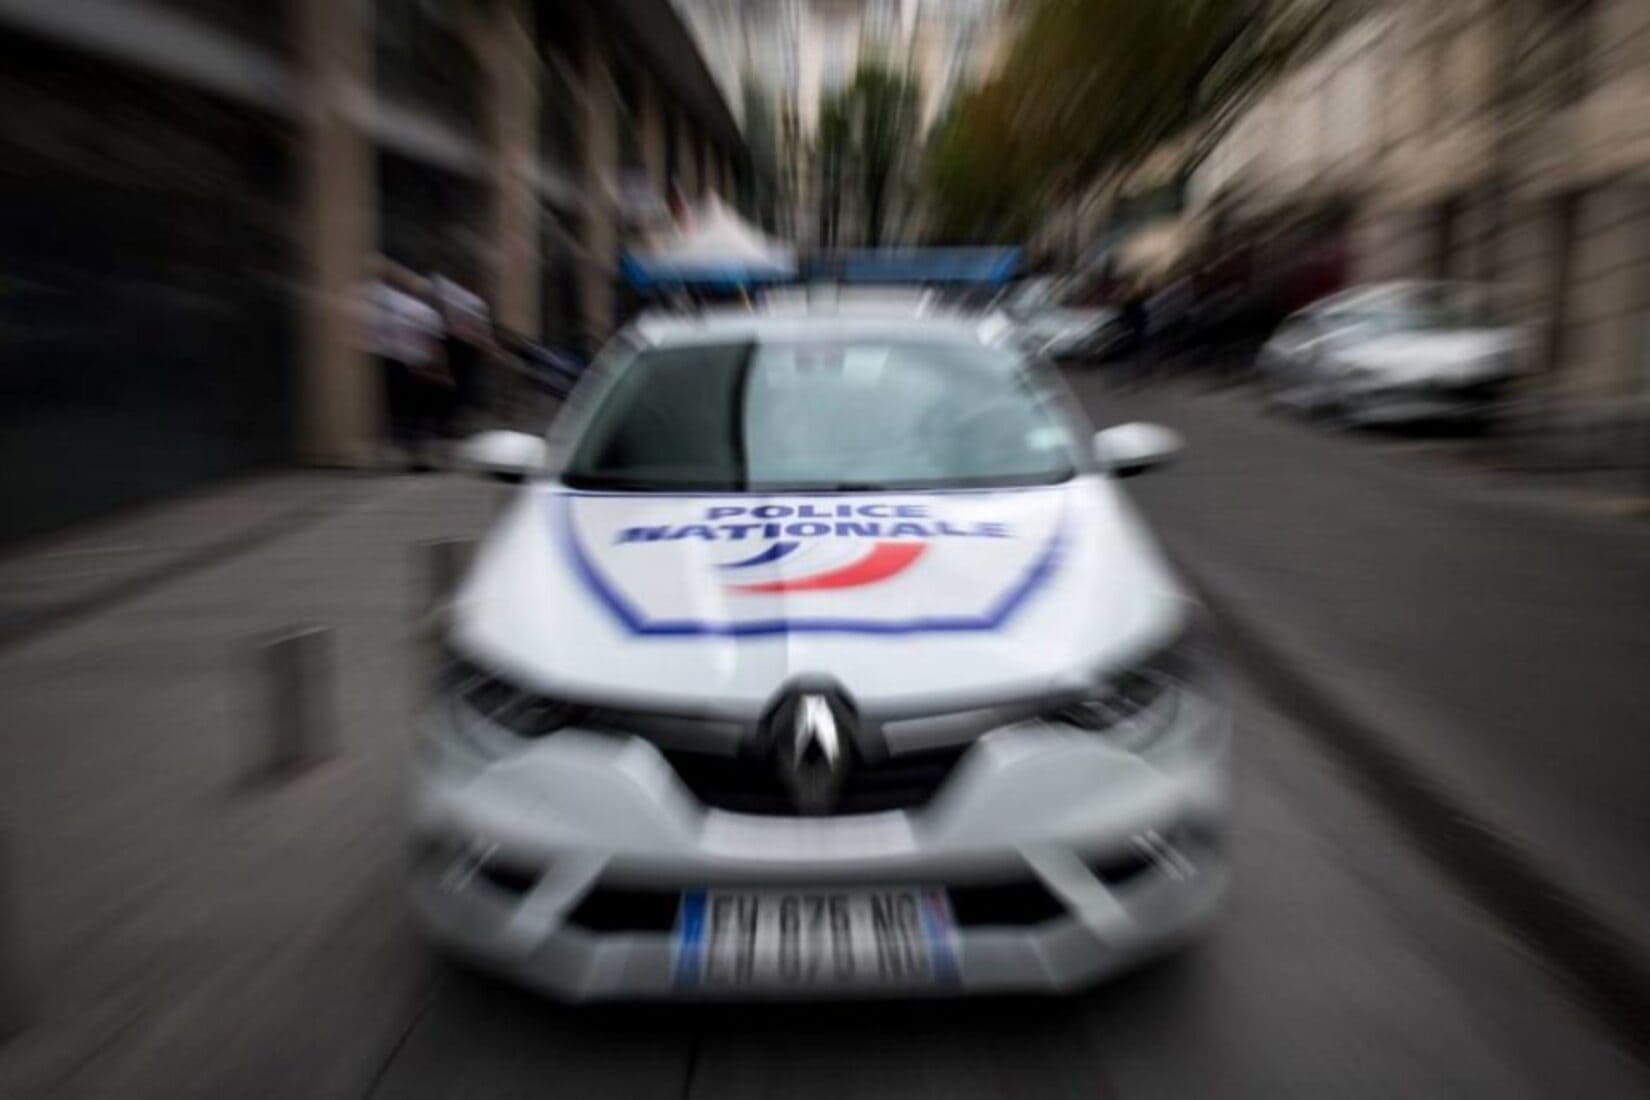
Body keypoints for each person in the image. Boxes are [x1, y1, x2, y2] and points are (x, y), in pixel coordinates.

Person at [364, 260, 447, 469]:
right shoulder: (424, 312)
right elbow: (434, 346)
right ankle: (415, 455)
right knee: (416, 412)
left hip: (392, 361)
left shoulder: (385, 303)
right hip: (416, 364)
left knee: (399, 410)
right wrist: (441, 371)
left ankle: (405, 452)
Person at [428, 272, 493, 437]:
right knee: (461, 387)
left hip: (450, 342)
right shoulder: (476, 304)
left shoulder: (444, 290)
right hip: (465, 348)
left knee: (448, 387)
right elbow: (481, 333)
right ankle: (451, 424)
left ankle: (444, 422)